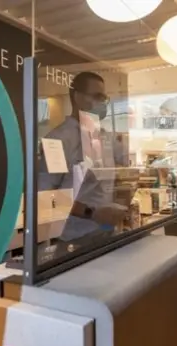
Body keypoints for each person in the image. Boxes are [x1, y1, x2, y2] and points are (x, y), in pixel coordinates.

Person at [39, 71, 126, 243]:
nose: (102, 103)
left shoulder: (102, 137)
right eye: (97, 96)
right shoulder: (58, 140)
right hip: (72, 239)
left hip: (105, 234)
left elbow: (122, 169)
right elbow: (46, 197)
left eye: (104, 98)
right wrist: (92, 213)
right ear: (77, 97)